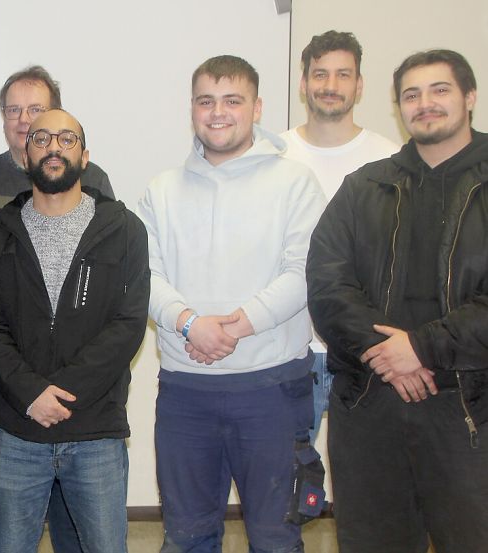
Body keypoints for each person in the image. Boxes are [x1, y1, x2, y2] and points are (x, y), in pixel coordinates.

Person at [137, 55, 326, 552]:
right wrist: (190, 324)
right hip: (185, 393)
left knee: (275, 537)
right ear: (192, 109)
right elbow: (146, 276)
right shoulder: (161, 190)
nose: (217, 112)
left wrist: (233, 328)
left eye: (232, 100)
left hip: (272, 390)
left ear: (256, 107)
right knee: (187, 537)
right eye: (206, 101)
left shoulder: (295, 182)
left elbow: (303, 272)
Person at [307, 49, 488, 553]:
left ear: (469, 97)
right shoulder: (364, 186)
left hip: (471, 411)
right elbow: (327, 282)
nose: (425, 104)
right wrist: (387, 353)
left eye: (440, 90)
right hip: (371, 405)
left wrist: (423, 348)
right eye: (412, 95)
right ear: (398, 107)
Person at [0, 108, 149, 553]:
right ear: (25, 157)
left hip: (95, 433)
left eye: (66, 139)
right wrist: (32, 394)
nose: (54, 147)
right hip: (19, 433)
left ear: (84, 156)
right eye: (41, 139)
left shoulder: (123, 230)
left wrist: (62, 393)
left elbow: (127, 325)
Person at [280, 31, 400, 443]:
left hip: (368, 352)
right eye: (320, 74)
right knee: (288, 487)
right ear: (303, 83)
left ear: (360, 85)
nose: (330, 86)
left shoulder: (389, 158)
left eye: (343, 75)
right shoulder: (273, 154)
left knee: (369, 486)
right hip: (292, 352)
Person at [0, 65, 114, 207]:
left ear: (55, 114)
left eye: (35, 110)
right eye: (14, 110)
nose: (23, 119)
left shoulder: (92, 179)